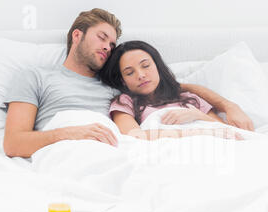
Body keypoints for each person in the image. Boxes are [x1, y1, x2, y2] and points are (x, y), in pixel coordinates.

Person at [2, 8, 253, 158]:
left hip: (117, 148)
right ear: (77, 35)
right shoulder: (34, 76)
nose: (107, 47)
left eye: (111, 44)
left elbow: (173, 87)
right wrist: (71, 134)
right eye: (102, 38)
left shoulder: (119, 87)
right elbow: (13, 144)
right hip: (68, 149)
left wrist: (229, 106)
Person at [100, 40, 242, 141]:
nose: (141, 75)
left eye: (145, 65)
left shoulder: (190, 98)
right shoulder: (124, 102)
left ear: (157, 66)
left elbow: (228, 132)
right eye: (130, 73)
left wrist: (196, 115)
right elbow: (134, 136)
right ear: (123, 81)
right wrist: (198, 133)